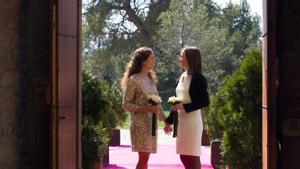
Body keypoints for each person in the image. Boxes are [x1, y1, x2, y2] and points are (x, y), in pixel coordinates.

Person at [164, 46, 209, 169]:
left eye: (182, 56)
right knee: (184, 156)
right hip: (181, 123)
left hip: (192, 123)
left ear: (190, 58)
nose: (180, 59)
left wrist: (184, 107)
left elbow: (205, 101)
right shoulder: (181, 76)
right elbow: (176, 102)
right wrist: (169, 121)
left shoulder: (199, 78)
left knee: (191, 156)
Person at [121, 47, 166, 169]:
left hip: (151, 125)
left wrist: (166, 121)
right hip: (139, 124)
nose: (154, 61)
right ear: (144, 61)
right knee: (144, 157)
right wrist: (146, 109)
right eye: (152, 58)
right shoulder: (133, 80)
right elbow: (126, 104)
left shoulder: (150, 79)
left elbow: (157, 103)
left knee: (146, 158)